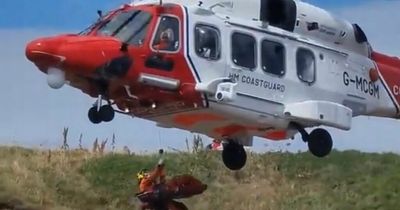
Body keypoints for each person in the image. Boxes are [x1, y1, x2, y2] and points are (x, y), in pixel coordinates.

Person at [136, 158, 207, 210]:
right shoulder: (144, 184)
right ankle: (199, 187)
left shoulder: (146, 190)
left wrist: (161, 173)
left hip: (162, 200)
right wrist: (160, 165)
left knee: (175, 204)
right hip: (163, 195)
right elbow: (155, 174)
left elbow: (160, 179)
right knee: (181, 180)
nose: (149, 174)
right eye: (147, 174)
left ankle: (198, 187)